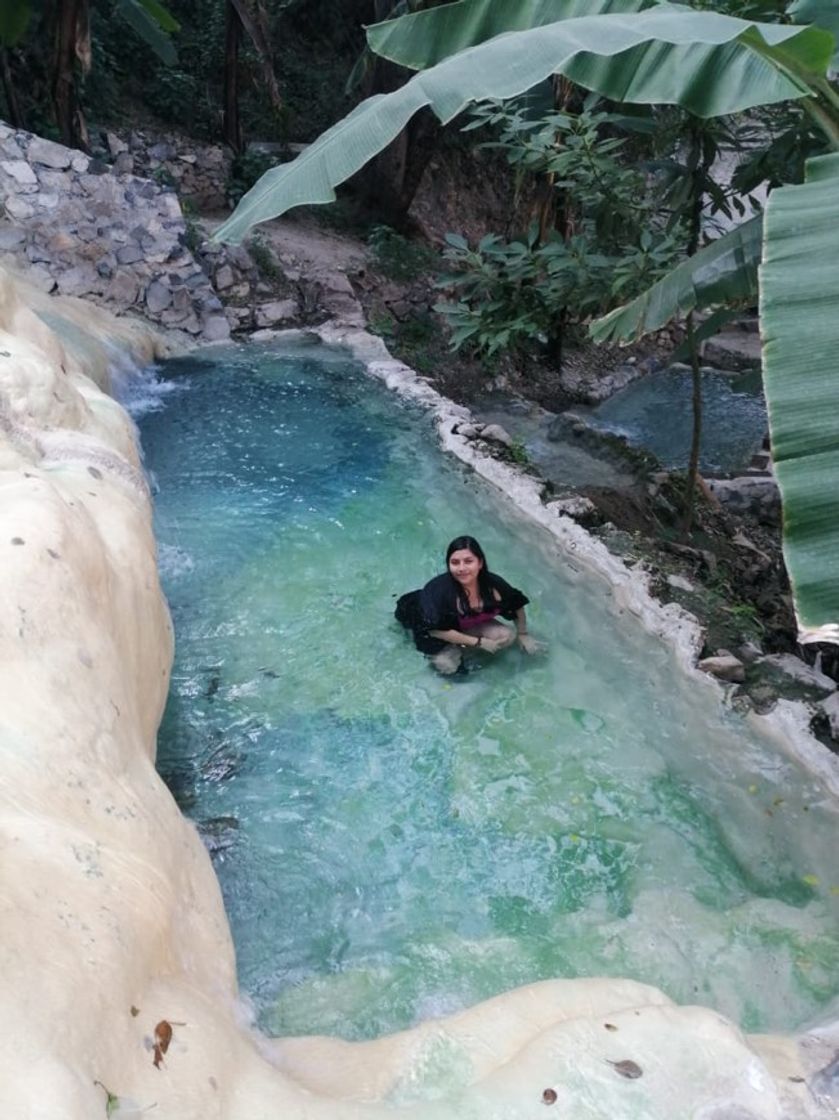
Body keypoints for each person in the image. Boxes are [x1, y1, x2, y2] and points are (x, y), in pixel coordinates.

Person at [395, 535, 544, 674]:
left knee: (507, 636)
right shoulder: (437, 591)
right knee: (447, 666)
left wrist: (523, 634)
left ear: (480, 563)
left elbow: (517, 604)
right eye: (455, 563)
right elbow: (435, 631)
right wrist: (479, 642)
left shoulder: (494, 585)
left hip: (460, 625)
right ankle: (454, 650)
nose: (461, 568)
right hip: (424, 623)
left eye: (468, 561)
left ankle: (463, 648)